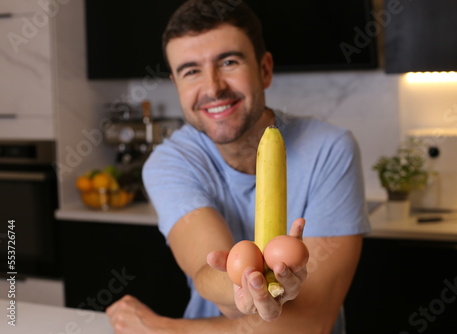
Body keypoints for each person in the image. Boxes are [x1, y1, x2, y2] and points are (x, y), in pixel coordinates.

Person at [106, 0, 371, 333]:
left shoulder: (330, 150)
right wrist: (243, 285)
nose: (213, 87)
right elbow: (207, 274)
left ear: (264, 69)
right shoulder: (170, 162)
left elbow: (311, 323)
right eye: (191, 71)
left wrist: (165, 329)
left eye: (228, 62)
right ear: (176, 85)